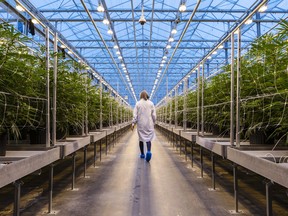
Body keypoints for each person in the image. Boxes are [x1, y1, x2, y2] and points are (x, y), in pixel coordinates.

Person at [132, 90, 156, 162]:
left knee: (141, 139)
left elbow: (135, 115)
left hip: (141, 124)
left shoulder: (138, 104)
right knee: (148, 138)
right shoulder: (151, 103)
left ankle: (142, 154)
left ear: (140, 96)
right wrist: (154, 122)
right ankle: (148, 151)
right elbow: (154, 115)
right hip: (149, 124)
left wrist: (133, 123)